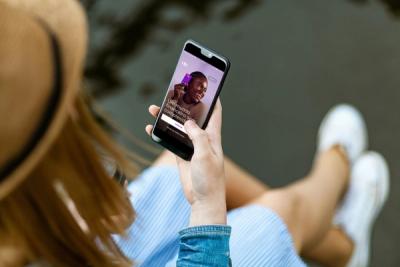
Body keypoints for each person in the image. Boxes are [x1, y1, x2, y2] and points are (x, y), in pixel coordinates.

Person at [0, 1, 389, 267]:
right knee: (276, 218)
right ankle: (337, 170)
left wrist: (74, 218)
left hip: (71, 238)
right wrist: (207, 209)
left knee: (177, 159)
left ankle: (339, 248)